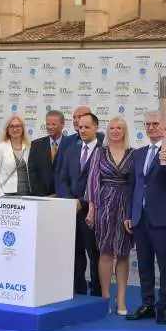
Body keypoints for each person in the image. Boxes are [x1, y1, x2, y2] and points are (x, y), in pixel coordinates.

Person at [125, 110, 166, 324]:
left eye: (155, 124)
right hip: (140, 219)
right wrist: (129, 214)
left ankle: (163, 306)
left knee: (165, 264)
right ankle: (147, 303)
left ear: (164, 126)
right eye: (148, 124)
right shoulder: (138, 153)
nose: (151, 127)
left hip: (163, 219)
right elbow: (134, 186)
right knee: (144, 264)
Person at [86, 116, 135, 315]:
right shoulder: (99, 152)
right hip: (103, 206)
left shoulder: (133, 154)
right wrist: (91, 208)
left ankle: (121, 299)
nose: (115, 131)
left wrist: (134, 212)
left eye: (119, 128)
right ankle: (105, 297)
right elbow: (93, 181)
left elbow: (136, 184)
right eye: (112, 128)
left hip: (125, 207)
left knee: (123, 254)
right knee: (105, 253)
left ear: (125, 131)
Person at [56, 112, 102, 296]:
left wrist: (82, 203)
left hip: (93, 211)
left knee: (95, 253)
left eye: (87, 127)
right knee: (75, 253)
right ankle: (78, 290)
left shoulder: (104, 151)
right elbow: (62, 179)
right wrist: (69, 200)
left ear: (96, 128)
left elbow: (102, 184)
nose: (82, 130)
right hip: (70, 211)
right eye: (80, 127)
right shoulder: (71, 150)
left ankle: (97, 292)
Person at [0, 115, 31, 197]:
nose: (15, 129)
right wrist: (0, 194)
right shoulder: (0, 147)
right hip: (6, 193)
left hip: (26, 193)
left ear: (22, 129)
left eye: (18, 126)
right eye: (11, 126)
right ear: (7, 130)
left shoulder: (29, 147)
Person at [28, 110, 65, 197]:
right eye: (48, 124)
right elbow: (32, 172)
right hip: (40, 197)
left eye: (53, 124)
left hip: (63, 197)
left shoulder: (70, 145)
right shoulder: (36, 145)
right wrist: (42, 196)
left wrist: (58, 194)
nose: (50, 127)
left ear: (62, 125)